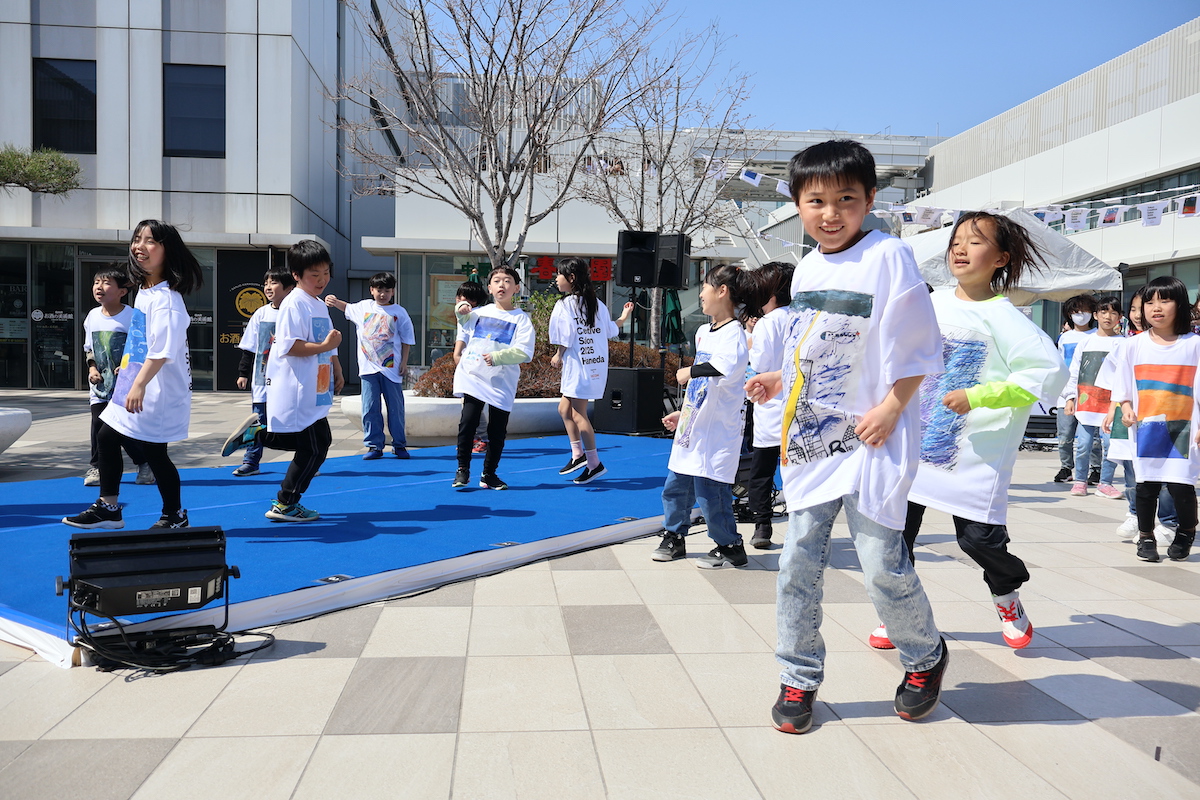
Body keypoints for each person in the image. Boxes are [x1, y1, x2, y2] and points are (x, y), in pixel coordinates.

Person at [745, 139, 947, 734]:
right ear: (797, 205)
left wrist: (890, 406)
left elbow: (917, 345)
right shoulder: (806, 267)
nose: (830, 214)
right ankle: (797, 676)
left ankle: (923, 656)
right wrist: (782, 377)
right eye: (816, 202)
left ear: (870, 200)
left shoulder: (889, 257)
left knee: (881, 561)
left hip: (874, 437)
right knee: (798, 561)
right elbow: (822, 344)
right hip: (812, 436)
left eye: (845, 199)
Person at [874, 211, 1067, 653]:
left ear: (1001, 258)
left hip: (974, 456)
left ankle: (1007, 597)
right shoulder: (928, 301)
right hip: (912, 446)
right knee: (895, 536)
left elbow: (1046, 374)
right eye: (957, 240)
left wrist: (978, 396)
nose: (960, 249)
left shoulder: (1009, 319)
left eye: (975, 242)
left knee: (979, 540)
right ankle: (897, 613)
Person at [64, 220, 203, 529]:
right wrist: (129, 378)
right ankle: (110, 507)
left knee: (155, 452)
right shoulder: (145, 290)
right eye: (137, 239)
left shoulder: (168, 300)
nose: (140, 246)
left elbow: (161, 351)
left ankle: (174, 515)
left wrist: (138, 385)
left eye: (150, 241)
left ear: (168, 251)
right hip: (134, 381)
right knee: (106, 435)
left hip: (158, 389)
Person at [223, 240, 345, 521]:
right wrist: (326, 348)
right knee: (315, 445)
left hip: (316, 385)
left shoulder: (317, 304)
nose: (322, 280)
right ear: (296, 275)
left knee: (313, 444)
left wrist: (336, 366)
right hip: (299, 386)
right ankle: (285, 501)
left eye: (326, 273)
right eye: (315, 275)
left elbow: (327, 341)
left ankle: (261, 444)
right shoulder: (294, 304)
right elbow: (290, 347)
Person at [652, 264, 750, 567]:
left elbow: (722, 367)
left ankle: (730, 545)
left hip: (718, 430)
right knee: (676, 485)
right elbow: (704, 385)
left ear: (723, 291)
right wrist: (684, 412)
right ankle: (674, 536)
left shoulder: (734, 333)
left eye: (706, 287)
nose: (701, 294)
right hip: (694, 425)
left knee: (711, 492)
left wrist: (689, 370)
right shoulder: (703, 332)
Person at [1102, 276, 1200, 562]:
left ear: (1180, 305)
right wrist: (1126, 405)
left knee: (1182, 486)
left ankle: (1186, 531)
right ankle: (1145, 537)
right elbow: (1123, 382)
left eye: (1165, 300)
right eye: (1149, 302)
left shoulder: (1193, 345)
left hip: (1183, 427)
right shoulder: (1133, 345)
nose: (1156, 308)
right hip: (1145, 426)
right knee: (1146, 485)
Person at [549, 256, 633, 484]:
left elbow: (564, 335)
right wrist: (624, 317)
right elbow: (609, 330)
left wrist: (558, 354)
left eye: (559, 274)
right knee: (564, 410)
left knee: (577, 413)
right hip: (593, 366)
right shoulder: (597, 303)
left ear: (571, 278)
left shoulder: (565, 305)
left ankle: (594, 462)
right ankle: (579, 455)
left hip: (578, 366)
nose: (556, 279)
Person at [451, 266, 535, 490]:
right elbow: (462, 317)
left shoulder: (522, 319)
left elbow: (525, 352)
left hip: (501, 381)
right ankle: (462, 471)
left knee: (497, 431)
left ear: (516, 288)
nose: (502, 285)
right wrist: (462, 306)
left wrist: (498, 357)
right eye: (497, 280)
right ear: (489, 287)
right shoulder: (480, 313)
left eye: (507, 281)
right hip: (474, 376)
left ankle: (489, 474)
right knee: (467, 423)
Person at [1111, 287, 1178, 541]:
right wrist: (1116, 410)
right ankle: (1137, 515)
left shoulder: (1183, 342)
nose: (1141, 313)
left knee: (1165, 474)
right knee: (1134, 472)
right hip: (1134, 419)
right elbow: (1117, 383)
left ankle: (1168, 522)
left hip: (1168, 419)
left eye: (1146, 307)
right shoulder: (1129, 344)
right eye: (1137, 308)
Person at [325, 272, 415, 459]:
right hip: (368, 370)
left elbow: (407, 340)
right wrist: (333, 301)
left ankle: (399, 445)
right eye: (379, 290)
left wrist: (404, 363)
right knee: (370, 407)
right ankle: (374, 445)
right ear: (372, 290)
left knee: (396, 409)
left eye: (387, 290)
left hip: (392, 370)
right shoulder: (363, 307)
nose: (383, 294)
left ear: (393, 291)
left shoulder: (399, 312)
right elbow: (346, 307)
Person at [81, 267, 152, 488]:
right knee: (98, 427)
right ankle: (97, 467)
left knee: (120, 429)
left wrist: (130, 368)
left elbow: (144, 349)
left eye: (106, 283)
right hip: (100, 386)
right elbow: (89, 349)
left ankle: (144, 464)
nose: (99, 288)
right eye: (96, 283)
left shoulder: (133, 316)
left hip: (125, 386)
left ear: (122, 291)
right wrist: (92, 368)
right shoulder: (92, 316)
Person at [742, 261, 794, 549]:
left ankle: (762, 525)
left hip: (769, 404)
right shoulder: (804, 317)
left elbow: (759, 364)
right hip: (800, 407)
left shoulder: (768, 323)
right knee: (797, 471)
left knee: (761, 471)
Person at [230, 268, 295, 476]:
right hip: (262, 381)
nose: (268, 287)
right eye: (266, 282)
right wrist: (243, 373)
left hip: (289, 381)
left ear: (289, 288)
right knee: (258, 422)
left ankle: (304, 460)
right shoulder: (261, 313)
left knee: (293, 422)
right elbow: (250, 347)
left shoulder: (295, 312)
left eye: (274, 283)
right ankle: (251, 461)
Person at [1063, 295, 1125, 499]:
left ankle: (1105, 483)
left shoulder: (1123, 344)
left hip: (1111, 406)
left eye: (1114, 312)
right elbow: (1074, 371)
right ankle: (1080, 480)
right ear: (1096, 315)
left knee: (1110, 445)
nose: (1108, 316)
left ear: (1120, 317)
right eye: (1104, 312)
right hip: (1086, 403)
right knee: (1083, 445)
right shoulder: (1086, 342)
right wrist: (1070, 398)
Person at [1054, 294, 1101, 483]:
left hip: (1091, 392)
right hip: (1066, 392)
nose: (1080, 315)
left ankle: (1095, 469)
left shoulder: (1098, 335)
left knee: (1092, 436)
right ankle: (1066, 467)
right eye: (1075, 312)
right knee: (1064, 434)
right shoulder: (1064, 338)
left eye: (1085, 311)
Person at [451, 281, 491, 453]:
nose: (461, 301)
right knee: (468, 403)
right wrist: (457, 354)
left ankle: (482, 437)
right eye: (459, 297)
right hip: (467, 364)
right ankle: (473, 437)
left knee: (474, 403)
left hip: (478, 364)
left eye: (466, 298)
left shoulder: (477, 314)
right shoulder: (464, 316)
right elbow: (462, 335)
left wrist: (458, 354)